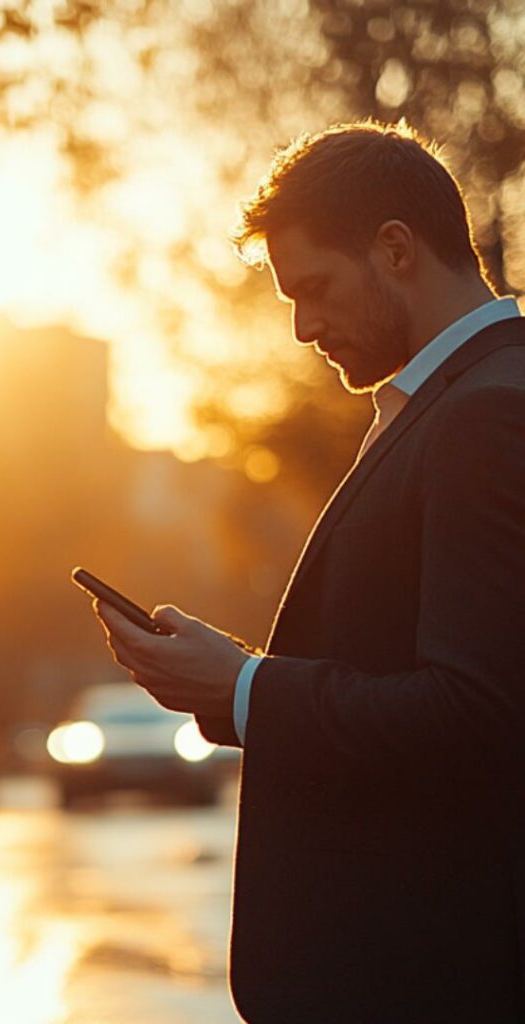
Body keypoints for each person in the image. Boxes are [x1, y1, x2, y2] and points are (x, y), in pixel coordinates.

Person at [91, 121, 525, 1022]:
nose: (302, 328)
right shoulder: (456, 401)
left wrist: (250, 687)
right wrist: (229, 682)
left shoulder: (486, 415)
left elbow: (476, 716)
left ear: (396, 249)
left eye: (316, 289)